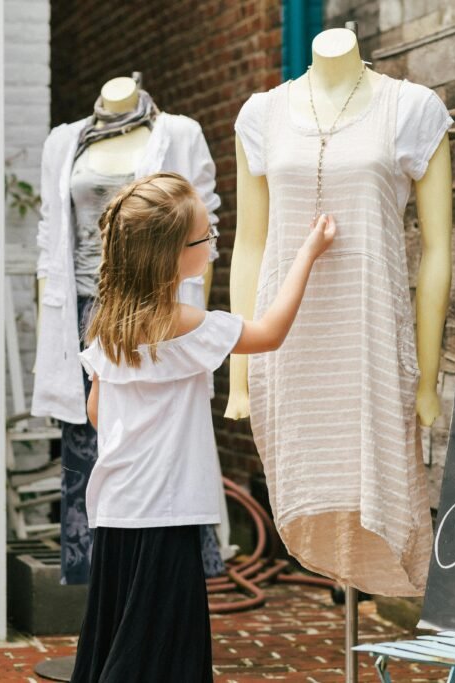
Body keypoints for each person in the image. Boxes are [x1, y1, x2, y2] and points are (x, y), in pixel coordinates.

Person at [69, 172, 336, 682]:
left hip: (117, 505)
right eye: (205, 236)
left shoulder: (108, 323)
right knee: (164, 651)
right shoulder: (187, 323)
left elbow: (96, 413)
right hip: (166, 508)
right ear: (171, 253)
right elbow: (270, 333)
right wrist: (308, 252)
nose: (213, 241)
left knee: (119, 638)